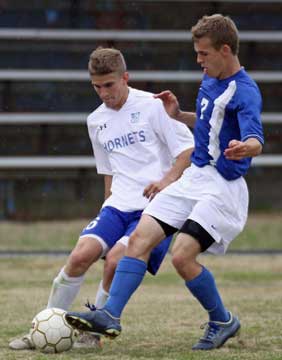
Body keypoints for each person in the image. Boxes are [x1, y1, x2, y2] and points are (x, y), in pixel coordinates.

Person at [65, 14, 264, 351]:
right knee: (139, 238)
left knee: (182, 257)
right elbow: (209, 122)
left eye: (203, 53)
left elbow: (255, 137)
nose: (198, 60)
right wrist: (178, 116)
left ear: (225, 50)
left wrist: (248, 147)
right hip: (193, 177)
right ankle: (110, 314)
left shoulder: (245, 92)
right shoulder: (210, 79)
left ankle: (222, 320)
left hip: (222, 185)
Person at [9, 47, 194, 350]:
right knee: (81, 255)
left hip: (155, 208)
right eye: (97, 87)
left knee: (115, 263)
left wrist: (165, 181)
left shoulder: (153, 105)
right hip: (117, 205)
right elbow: (108, 170)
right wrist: (105, 206)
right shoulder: (96, 121)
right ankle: (41, 328)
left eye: (109, 85)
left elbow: (187, 151)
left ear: (125, 77)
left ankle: (91, 334)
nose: (104, 93)